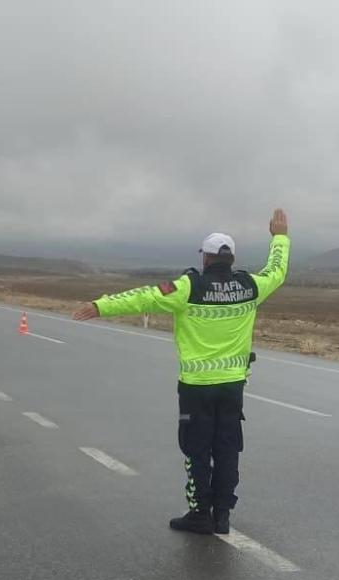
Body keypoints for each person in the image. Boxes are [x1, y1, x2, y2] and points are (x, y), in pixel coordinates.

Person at [72, 209, 291, 535]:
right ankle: (223, 516)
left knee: (197, 450)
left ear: (206, 258)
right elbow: (277, 271)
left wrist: (101, 306)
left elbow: (143, 297)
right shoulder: (251, 286)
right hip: (233, 386)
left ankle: (200, 513)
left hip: (196, 387)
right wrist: (280, 237)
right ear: (231, 259)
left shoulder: (188, 287)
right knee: (228, 449)